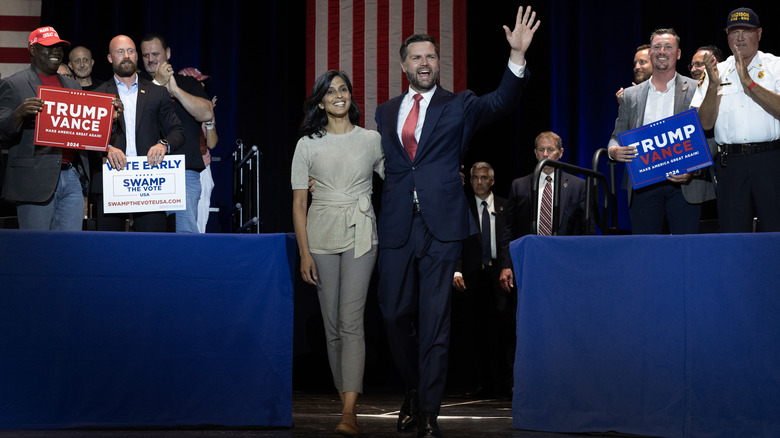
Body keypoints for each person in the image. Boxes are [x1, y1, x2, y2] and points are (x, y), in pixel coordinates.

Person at [373, 7, 538, 437]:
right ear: (404, 64)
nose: (425, 63)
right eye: (417, 58)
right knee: (392, 314)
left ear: (437, 63)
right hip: (395, 223)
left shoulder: (460, 104)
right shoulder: (384, 111)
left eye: (431, 57)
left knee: (435, 320)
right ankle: (412, 387)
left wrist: (516, 58)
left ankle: (428, 410)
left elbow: (502, 100)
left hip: (442, 224)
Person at [291, 70, 384, 438]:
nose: (339, 95)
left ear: (351, 96)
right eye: (330, 92)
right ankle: (343, 394)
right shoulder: (307, 145)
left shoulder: (372, 139)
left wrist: (440, 177)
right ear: (320, 101)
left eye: (343, 89)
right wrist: (304, 254)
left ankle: (349, 411)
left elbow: (403, 178)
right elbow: (299, 204)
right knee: (331, 326)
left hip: (362, 233)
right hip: (320, 235)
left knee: (350, 320)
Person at [0, 27, 108, 230]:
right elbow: (2, 131)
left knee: (69, 249)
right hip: (34, 180)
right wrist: (18, 114)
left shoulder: (72, 86)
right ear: (32, 50)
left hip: (72, 176)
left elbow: (86, 129)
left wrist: (110, 118)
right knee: (37, 250)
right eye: (49, 47)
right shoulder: (14, 84)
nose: (56, 52)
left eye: (59, 47)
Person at [607, 28, 708, 235]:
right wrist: (614, 152)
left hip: (685, 186)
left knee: (685, 252)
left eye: (668, 47)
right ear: (650, 53)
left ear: (678, 54)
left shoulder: (698, 88)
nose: (662, 51)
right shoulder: (631, 95)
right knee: (646, 253)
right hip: (644, 185)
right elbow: (615, 137)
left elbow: (710, 137)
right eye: (657, 47)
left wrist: (693, 170)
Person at [694, 7, 780, 232]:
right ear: (726, 35)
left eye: (747, 31)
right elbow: (704, 124)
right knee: (733, 232)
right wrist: (713, 86)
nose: (740, 37)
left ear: (759, 33)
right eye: (734, 32)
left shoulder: (776, 66)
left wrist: (748, 83)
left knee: (775, 229)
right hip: (731, 164)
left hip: (770, 161)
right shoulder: (715, 71)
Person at [92, 35, 184, 232]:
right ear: (110, 58)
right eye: (120, 52)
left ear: (136, 56)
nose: (126, 56)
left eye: (130, 51)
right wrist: (106, 148)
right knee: (109, 249)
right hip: (112, 182)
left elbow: (177, 131)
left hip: (149, 184)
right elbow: (85, 139)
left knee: (152, 249)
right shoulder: (98, 95)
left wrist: (163, 144)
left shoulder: (156, 92)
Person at [140, 33, 214, 233]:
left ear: (168, 53)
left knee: (185, 236)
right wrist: (158, 85)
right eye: (145, 55)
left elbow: (207, 113)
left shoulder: (187, 83)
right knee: (150, 238)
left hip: (184, 170)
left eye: (155, 54)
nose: (151, 59)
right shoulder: (138, 84)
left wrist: (175, 90)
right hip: (147, 171)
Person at [499, 131, 591, 291]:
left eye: (550, 149)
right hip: (528, 263)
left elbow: (587, 229)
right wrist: (506, 265)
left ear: (560, 153)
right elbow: (508, 229)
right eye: (541, 150)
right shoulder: (519, 185)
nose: (546, 154)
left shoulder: (578, 186)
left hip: (566, 263)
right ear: (535, 153)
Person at [450, 162, 511, 399]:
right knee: (474, 330)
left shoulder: (506, 205)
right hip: (472, 275)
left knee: (503, 328)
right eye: (475, 178)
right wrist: (456, 271)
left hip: (499, 273)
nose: (479, 182)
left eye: (484, 178)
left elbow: (509, 239)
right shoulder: (462, 207)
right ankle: (480, 382)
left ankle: (505, 383)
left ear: (492, 180)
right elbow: (455, 241)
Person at [178, 67, 218, 233]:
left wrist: (208, 118)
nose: (200, 86)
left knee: (199, 221)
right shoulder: (168, 105)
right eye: (196, 82)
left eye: (202, 82)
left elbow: (212, 143)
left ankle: (195, 254)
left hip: (200, 168)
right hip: (174, 166)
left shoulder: (204, 108)